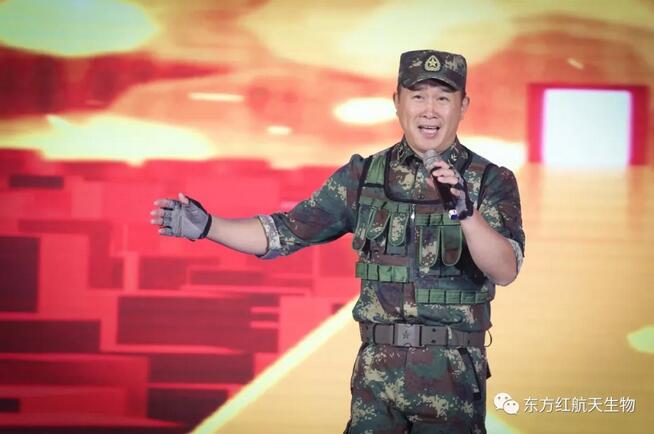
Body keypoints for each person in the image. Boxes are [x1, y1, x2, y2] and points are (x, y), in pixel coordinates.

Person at [149, 49, 525, 434]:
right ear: (397, 102)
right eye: (418, 96)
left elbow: (505, 269)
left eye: (443, 98)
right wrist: (209, 226)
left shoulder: (491, 181)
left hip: (453, 380)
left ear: (463, 106)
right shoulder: (362, 177)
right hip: (376, 383)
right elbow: (285, 232)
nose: (429, 110)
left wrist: (466, 212)